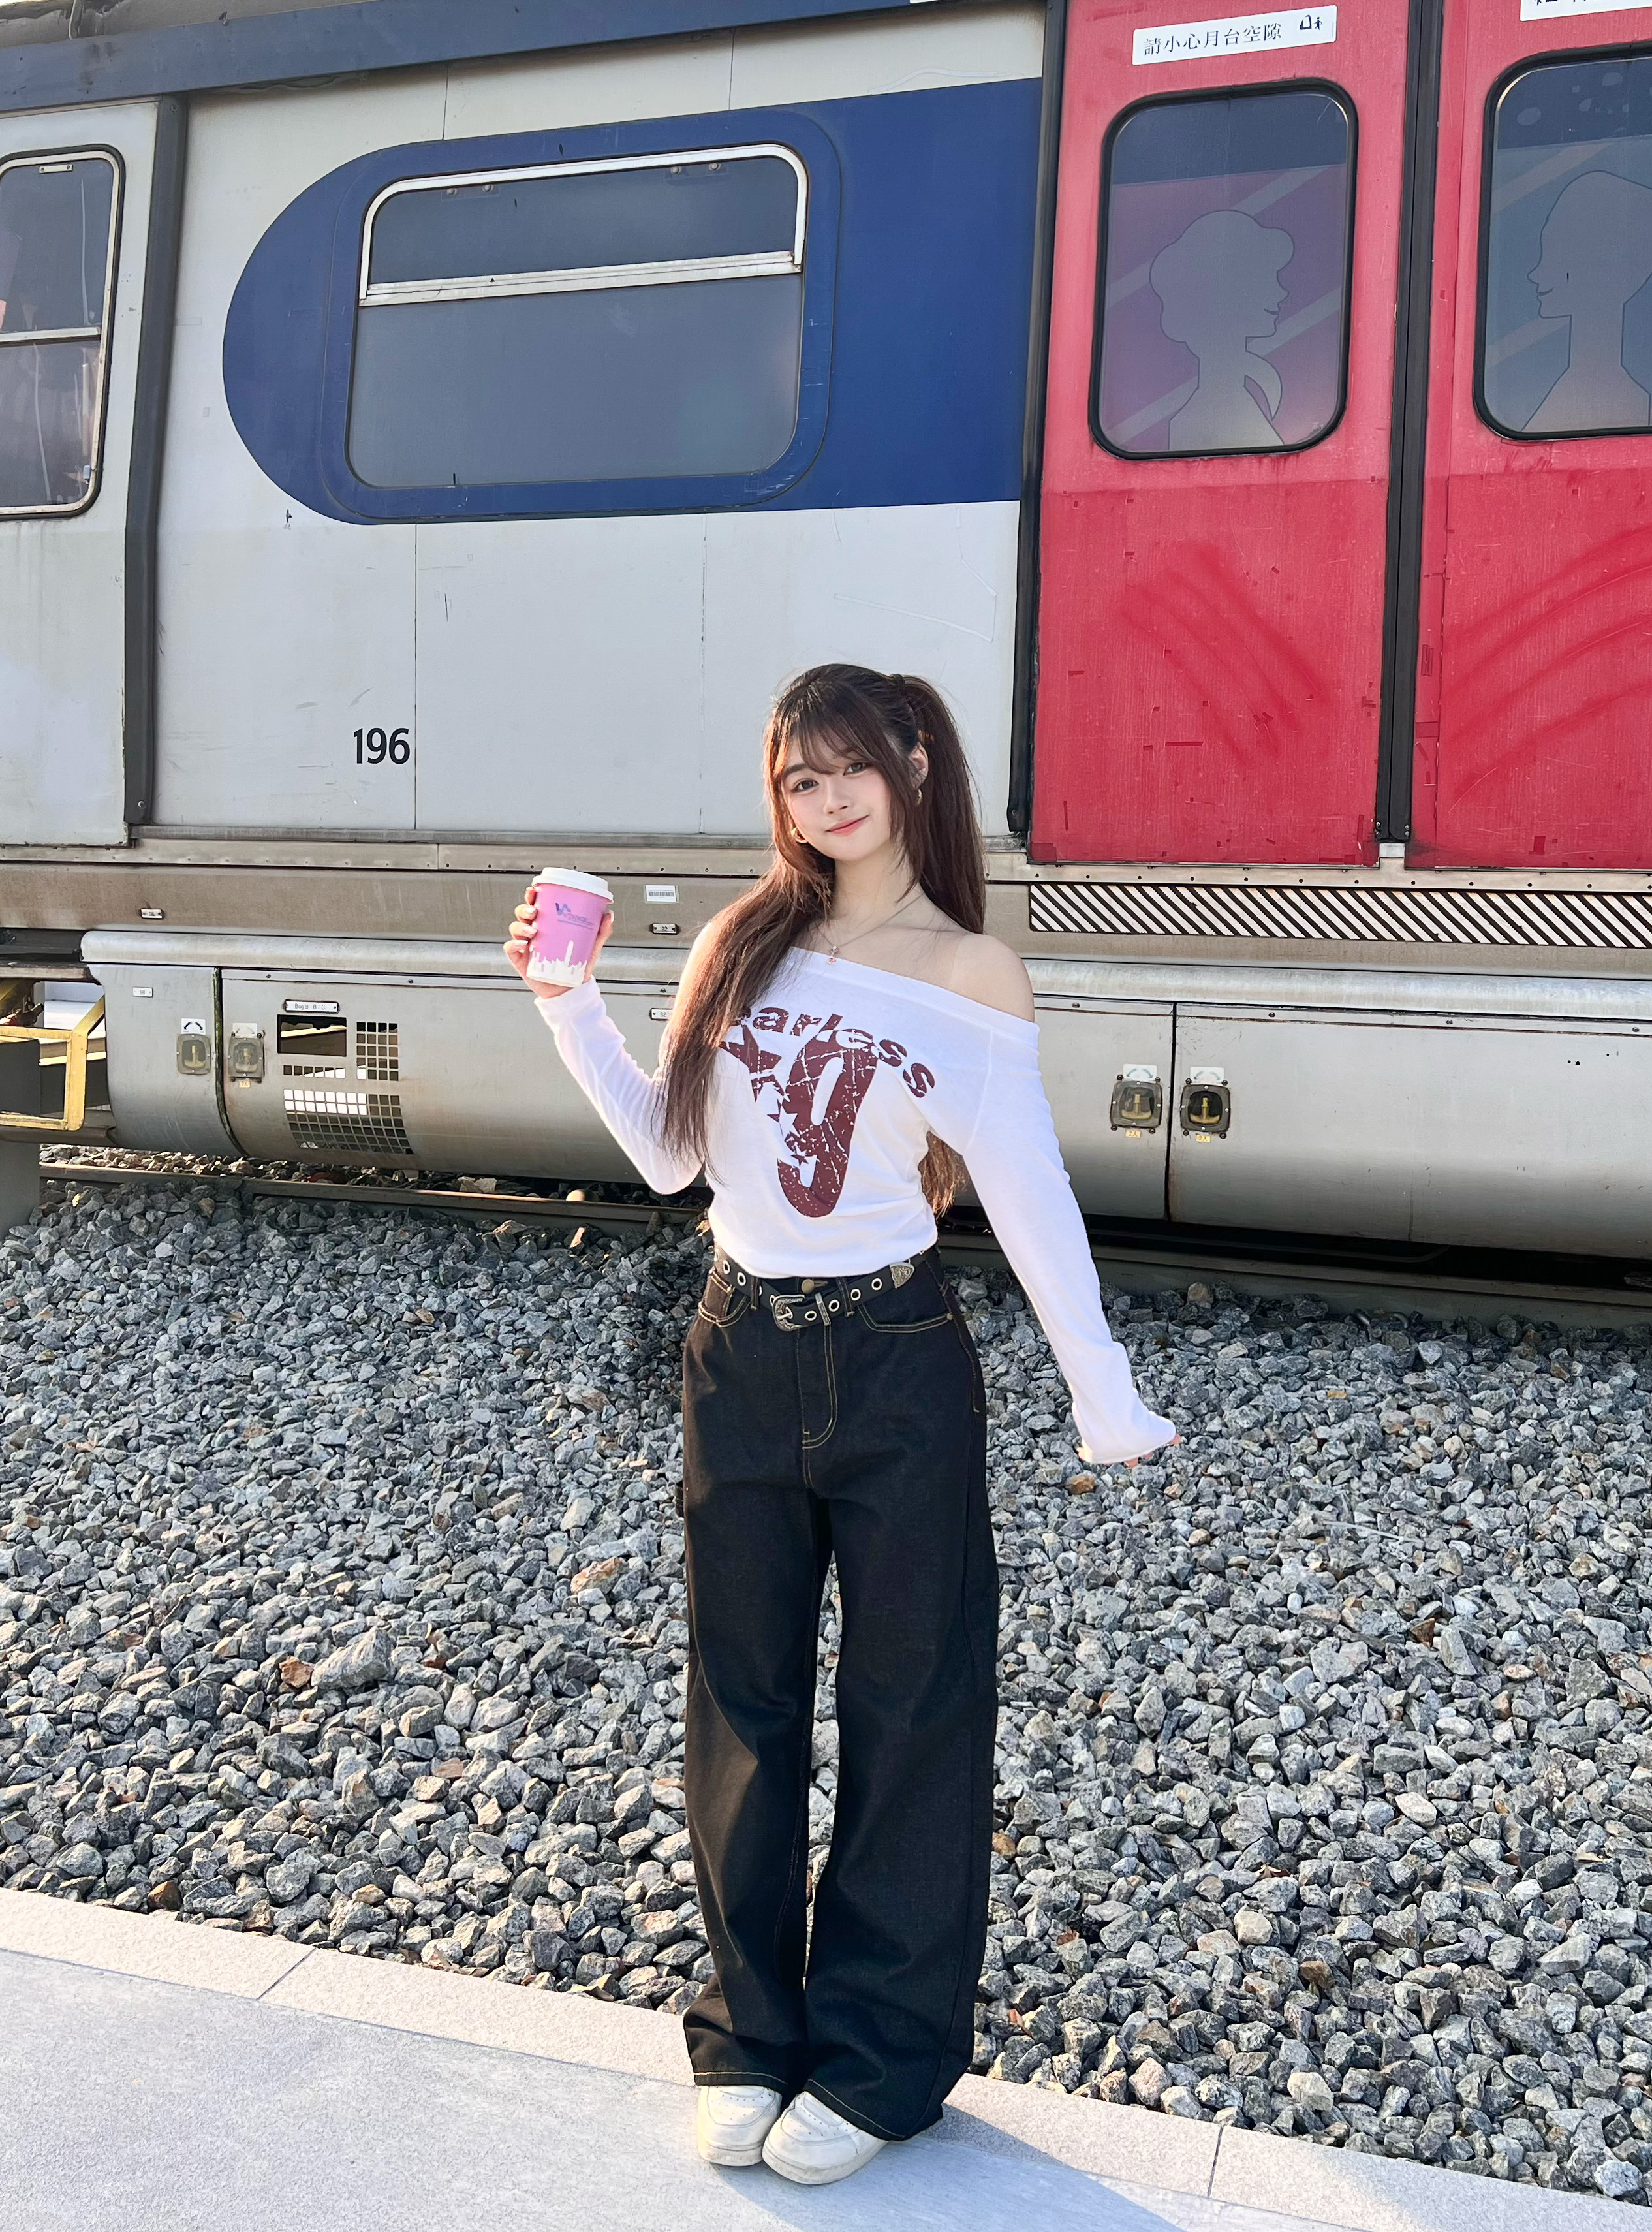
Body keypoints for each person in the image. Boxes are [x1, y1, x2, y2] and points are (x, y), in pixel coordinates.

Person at [503, 663, 1176, 2186]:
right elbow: (669, 1155)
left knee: (912, 1706)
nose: (827, 799)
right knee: (739, 1700)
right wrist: (568, 1004)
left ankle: (881, 2062)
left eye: (850, 766)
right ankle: (748, 2038)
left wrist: (1102, 1388)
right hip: (738, 1348)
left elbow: (1029, 1195)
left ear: (916, 763)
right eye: (800, 779)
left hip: (896, 1358)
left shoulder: (973, 974)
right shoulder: (745, 940)